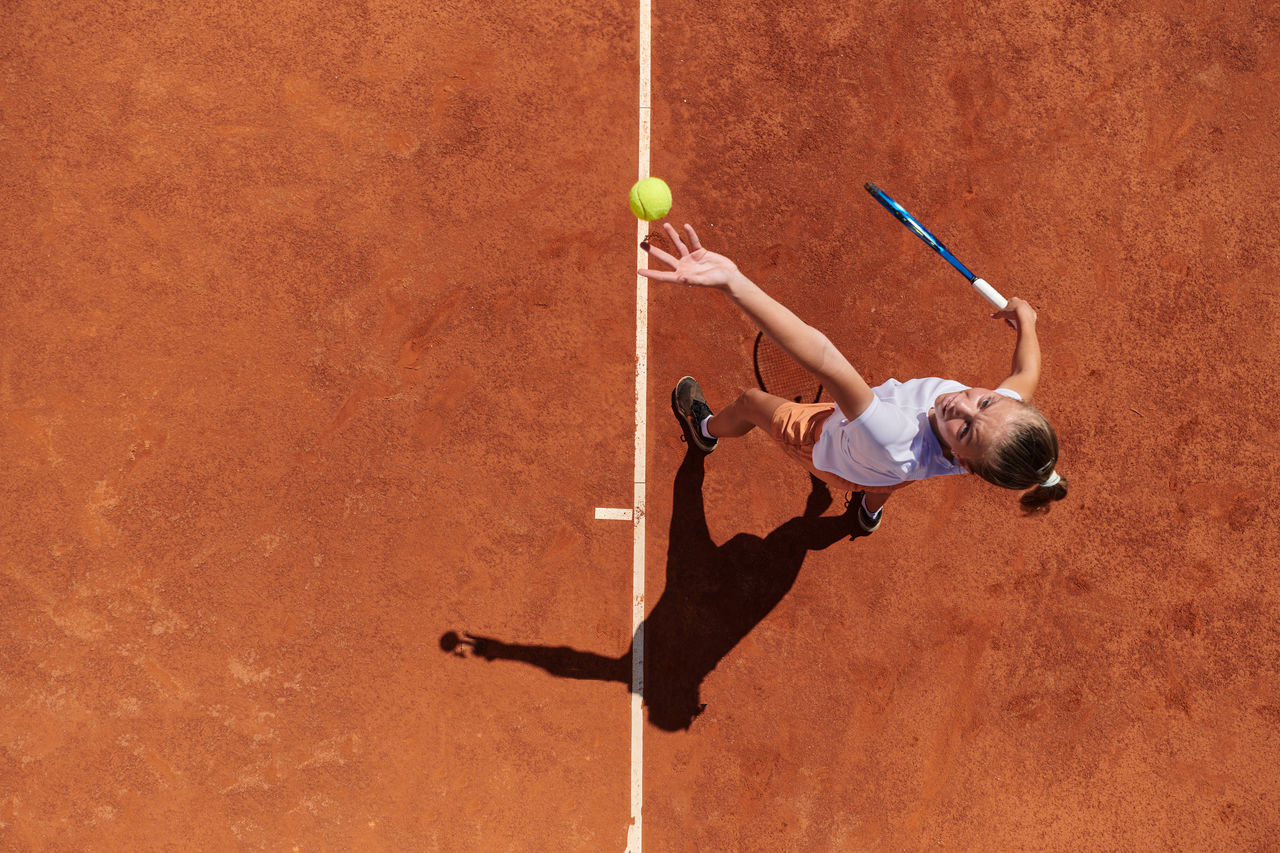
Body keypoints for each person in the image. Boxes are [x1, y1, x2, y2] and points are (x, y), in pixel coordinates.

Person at [639, 222, 1067, 534]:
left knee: (751, 401)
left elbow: (824, 358)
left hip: (822, 444)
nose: (963, 405)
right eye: (986, 401)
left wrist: (733, 282)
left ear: (964, 463)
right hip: (887, 472)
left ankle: (704, 431)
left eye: (967, 428)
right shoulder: (993, 436)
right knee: (888, 480)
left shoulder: (895, 436)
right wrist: (1027, 323)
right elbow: (1024, 373)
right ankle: (869, 511)